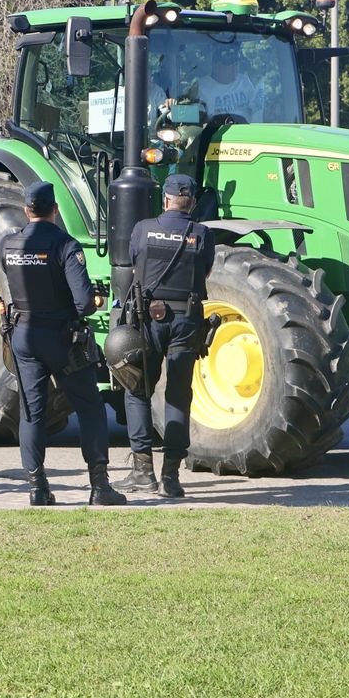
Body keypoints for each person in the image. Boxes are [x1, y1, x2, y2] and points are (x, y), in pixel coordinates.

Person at [0, 181, 125, 508]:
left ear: (28, 210)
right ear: (54, 210)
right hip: (61, 337)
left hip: (23, 335)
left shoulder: (8, 245)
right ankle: (100, 487)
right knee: (90, 407)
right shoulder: (66, 245)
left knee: (32, 412)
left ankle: (37, 488)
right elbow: (84, 304)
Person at [118, 173, 215, 499]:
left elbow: (134, 262)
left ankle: (143, 472)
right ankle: (171, 477)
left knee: (137, 390)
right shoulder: (202, 234)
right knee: (178, 394)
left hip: (148, 319)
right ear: (191, 202)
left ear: (166, 200)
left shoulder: (143, 229)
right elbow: (205, 271)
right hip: (186, 320)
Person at [193, 49, 264, 123]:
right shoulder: (201, 87)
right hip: (217, 132)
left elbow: (256, 109)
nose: (234, 68)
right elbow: (198, 121)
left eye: (236, 63)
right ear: (215, 65)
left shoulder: (244, 81)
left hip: (246, 132)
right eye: (228, 63)